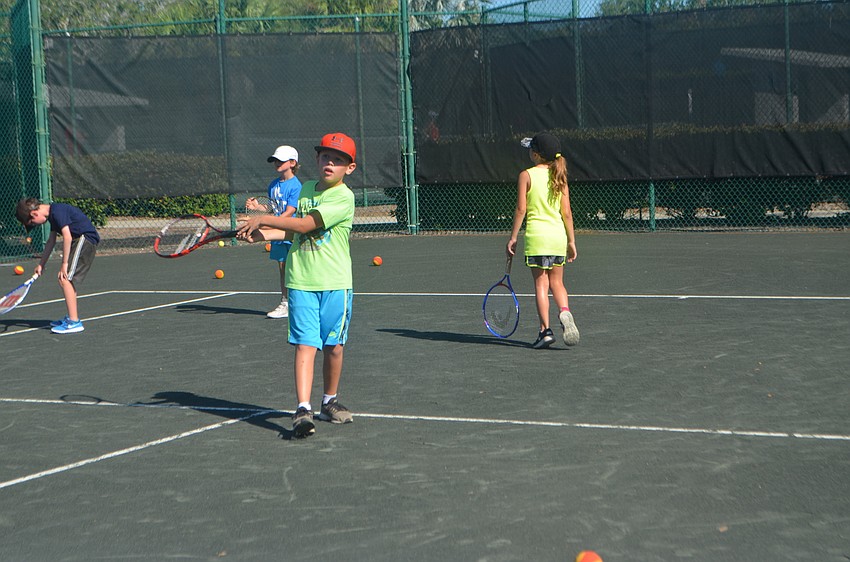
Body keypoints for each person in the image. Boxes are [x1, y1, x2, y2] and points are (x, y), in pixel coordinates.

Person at [237, 132, 357, 438]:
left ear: (349, 168)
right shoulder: (305, 190)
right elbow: (293, 234)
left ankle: (329, 401)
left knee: (334, 347)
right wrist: (262, 235)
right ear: (316, 159)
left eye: (338, 160)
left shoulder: (343, 197)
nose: (330, 163)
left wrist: (264, 219)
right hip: (301, 281)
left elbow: (305, 224)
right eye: (326, 156)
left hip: (335, 283)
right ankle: (303, 409)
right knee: (306, 345)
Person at [507, 132, 580, 349]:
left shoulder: (526, 175)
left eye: (531, 148)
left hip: (537, 239)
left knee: (541, 284)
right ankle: (565, 311)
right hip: (557, 238)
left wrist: (513, 238)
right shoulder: (560, 176)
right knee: (557, 283)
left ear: (536, 155)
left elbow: (521, 209)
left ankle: (545, 331)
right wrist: (571, 241)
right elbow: (567, 212)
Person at [15, 197, 100, 334]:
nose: (35, 225)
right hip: (79, 239)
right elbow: (51, 241)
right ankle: (72, 317)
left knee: (64, 278)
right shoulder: (53, 215)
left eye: (32, 223)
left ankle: (74, 322)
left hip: (86, 239)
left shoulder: (57, 211)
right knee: (65, 279)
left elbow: (67, 237)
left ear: (34, 214)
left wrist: (64, 264)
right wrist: (41, 264)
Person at [246, 145, 302, 319]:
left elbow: (289, 212)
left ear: (292, 163)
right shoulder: (273, 185)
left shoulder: (296, 186)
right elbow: (272, 208)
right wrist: (257, 207)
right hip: (277, 235)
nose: (277, 163)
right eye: (275, 160)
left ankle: (298, 304)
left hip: (291, 233)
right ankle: (285, 303)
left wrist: (271, 224)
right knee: (282, 268)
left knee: (296, 269)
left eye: (281, 160)